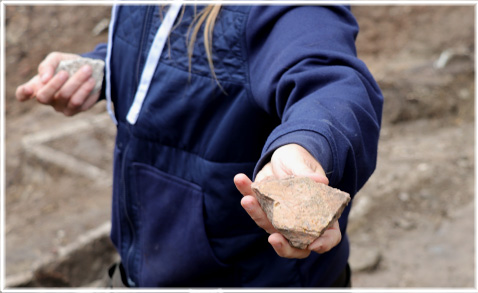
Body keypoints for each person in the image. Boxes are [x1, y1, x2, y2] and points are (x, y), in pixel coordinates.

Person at [16, 4, 383, 287]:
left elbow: (331, 80)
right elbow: (159, 48)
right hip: (147, 267)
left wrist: (308, 142)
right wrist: (102, 67)